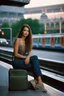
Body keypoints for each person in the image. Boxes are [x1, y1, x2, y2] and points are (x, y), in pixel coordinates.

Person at [13, 24, 47, 92]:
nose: (26, 32)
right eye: (25, 30)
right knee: (34, 63)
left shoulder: (28, 42)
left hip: (24, 61)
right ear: (22, 31)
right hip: (17, 62)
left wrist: (28, 57)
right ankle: (39, 83)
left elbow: (29, 53)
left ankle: (38, 83)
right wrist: (25, 57)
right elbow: (15, 54)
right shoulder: (18, 40)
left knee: (34, 59)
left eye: (28, 31)